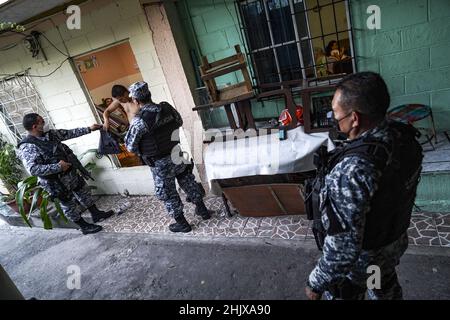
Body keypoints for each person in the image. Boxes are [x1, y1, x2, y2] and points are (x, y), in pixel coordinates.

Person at [304, 72, 423, 300]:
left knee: (346, 293)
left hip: (361, 264)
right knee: (379, 284)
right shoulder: (402, 137)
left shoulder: (353, 169)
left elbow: (343, 246)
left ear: (355, 118)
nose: (334, 119)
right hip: (387, 249)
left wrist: (316, 283)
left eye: (336, 115)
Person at [124, 81, 211, 233]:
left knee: (168, 193)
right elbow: (179, 122)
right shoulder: (167, 108)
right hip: (176, 153)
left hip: (160, 163)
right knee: (188, 182)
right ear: (149, 95)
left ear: (136, 101)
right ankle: (203, 211)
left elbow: (130, 146)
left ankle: (183, 224)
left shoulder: (139, 121)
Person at [17, 114, 115, 235]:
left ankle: (96, 214)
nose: (45, 122)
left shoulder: (50, 135)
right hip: (54, 182)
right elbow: (33, 169)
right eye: (42, 121)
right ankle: (84, 226)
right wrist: (58, 167)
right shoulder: (27, 146)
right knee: (68, 204)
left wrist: (89, 129)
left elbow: (70, 133)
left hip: (69, 174)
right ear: (35, 126)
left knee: (83, 192)